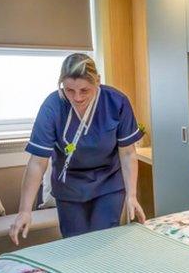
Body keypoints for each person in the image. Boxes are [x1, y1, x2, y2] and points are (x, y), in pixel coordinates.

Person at [10, 53, 146, 244]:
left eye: (84, 90)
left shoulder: (116, 102)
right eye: (69, 90)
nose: (77, 97)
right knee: (74, 243)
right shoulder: (53, 106)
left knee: (103, 241)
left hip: (108, 181)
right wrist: (24, 211)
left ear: (97, 81)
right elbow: (37, 163)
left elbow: (128, 152)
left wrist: (131, 195)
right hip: (69, 184)